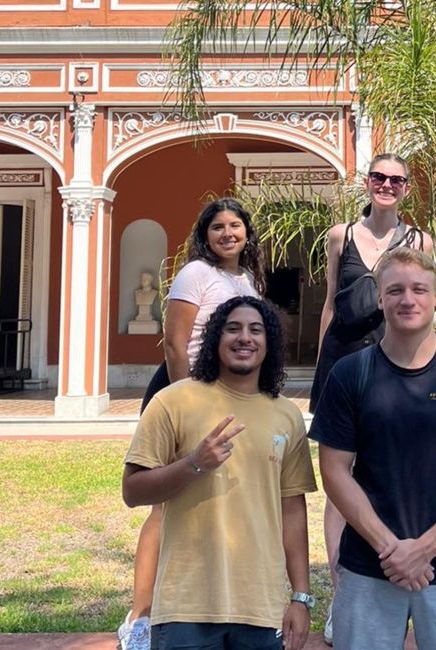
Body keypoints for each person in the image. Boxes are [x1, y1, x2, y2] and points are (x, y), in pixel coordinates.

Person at [310, 247, 436, 650]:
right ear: (380, 299)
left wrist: (426, 548)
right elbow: (334, 471)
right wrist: (390, 549)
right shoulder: (350, 374)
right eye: (395, 290)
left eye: (420, 289)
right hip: (370, 566)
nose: (408, 299)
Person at [122, 295, 317, 650]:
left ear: (269, 343)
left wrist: (301, 596)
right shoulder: (173, 401)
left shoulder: (287, 415)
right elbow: (133, 492)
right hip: (185, 609)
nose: (245, 337)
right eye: (233, 328)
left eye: (256, 330)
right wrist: (193, 463)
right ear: (215, 338)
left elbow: (293, 511)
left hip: (261, 608)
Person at [119, 198, 266, 650]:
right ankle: (141, 617)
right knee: (165, 503)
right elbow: (175, 344)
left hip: (228, 394)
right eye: (218, 227)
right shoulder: (194, 274)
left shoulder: (248, 279)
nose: (227, 233)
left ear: (246, 233)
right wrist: (188, 399)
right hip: (185, 390)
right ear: (205, 236)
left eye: (235, 225)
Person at [310, 152, 434, 643]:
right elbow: (328, 305)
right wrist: (321, 368)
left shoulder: (420, 240)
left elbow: (426, 306)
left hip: (396, 366)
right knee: (340, 480)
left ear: (407, 188)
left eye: (396, 180)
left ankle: (387, 580)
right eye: (379, 177)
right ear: (367, 183)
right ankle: (343, 595)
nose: (387, 185)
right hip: (343, 363)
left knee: (385, 471)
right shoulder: (340, 235)